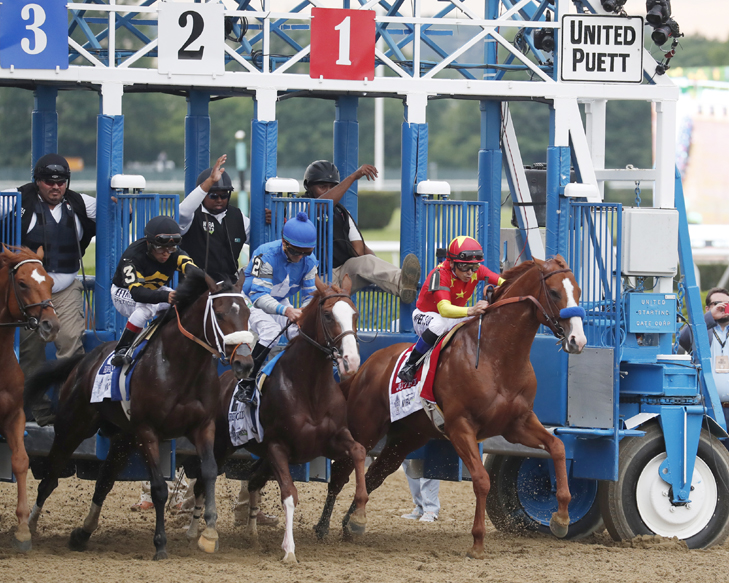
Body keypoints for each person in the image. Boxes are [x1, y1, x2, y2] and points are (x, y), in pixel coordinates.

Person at [10, 154, 97, 377]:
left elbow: (116, 212)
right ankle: (37, 411)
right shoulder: (17, 199)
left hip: (65, 289)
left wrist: (121, 207)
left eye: (61, 182)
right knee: (31, 351)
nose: (56, 187)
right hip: (29, 292)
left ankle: (67, 406)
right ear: (37, 181)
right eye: (50, 182)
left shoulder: (81, 202)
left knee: (70, 342)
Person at [303, 160, 420, 304]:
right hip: (314, 277)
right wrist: (354, 176)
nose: (329, 190)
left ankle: (403, 283)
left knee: (368, 261)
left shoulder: (342, 213)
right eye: (322, 187)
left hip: (342, 275)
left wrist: (374, 267)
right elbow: (320, 207)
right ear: (308, 187)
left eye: (333, 187)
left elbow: (359, 251)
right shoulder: (300, 207)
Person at [236, 211, 319, 404]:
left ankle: (300, 380)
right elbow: (258, 296)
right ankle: (246, 384)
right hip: (251, 299)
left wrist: (303, 313)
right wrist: (287, 311)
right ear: (284, 243)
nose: (300, 258)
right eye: (295, 252)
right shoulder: (266, 254)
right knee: (271, 331)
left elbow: (310, 295)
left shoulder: (310, 260)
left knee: (300, 334)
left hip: (280, 300)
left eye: (305, 252)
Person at [398, 236, 503, 383]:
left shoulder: (475, 270)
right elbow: (444, 310)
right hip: (427, 315)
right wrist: (472, 310)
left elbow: (503, 282)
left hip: (452, 316)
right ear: (452, 262)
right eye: (464, 266)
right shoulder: (440, 274)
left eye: (474, 266)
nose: (470, 272)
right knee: (440, 324)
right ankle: (410, 365)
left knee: (485, 318)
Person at [109, 215, 197, 365]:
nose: (165, 253)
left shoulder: (174, 253)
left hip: (154, 289)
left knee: (182, 305)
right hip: (125, 292)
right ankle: (122, 349)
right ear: (149, 243)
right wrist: (166, 295)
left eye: (170, 249)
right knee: (146, 309)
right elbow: (137, 294)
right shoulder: (132, 257)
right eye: (160, 248)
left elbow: (193, 270)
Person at [179, 154, 250, 283]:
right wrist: (210, 181)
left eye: (223, 196)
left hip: (228, 287)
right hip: (194, 286)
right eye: (213, 196)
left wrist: (273, 220)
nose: (219, 200)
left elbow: (263, 239)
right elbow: (182, 212)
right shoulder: (191, 215)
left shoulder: (238, 217)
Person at [679, 287, 729, 416]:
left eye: (727, 304)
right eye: (717, 304)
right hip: (708, 406)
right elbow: (683, 337)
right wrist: (709, 317)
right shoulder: (701, 330)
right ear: (708, 308)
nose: (723, 307)